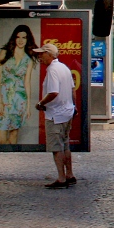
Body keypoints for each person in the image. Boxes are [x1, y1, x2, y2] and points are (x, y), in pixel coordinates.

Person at [33, 44, 76, 189]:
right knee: (66, 144)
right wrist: (73, 106)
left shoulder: (52, 70)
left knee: (56, 147)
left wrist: (40, 103)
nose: (39, 57)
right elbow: (72, 90)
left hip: (55, 115)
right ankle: (70, 174)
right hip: (67, 111)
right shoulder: (64, 67)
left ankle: (61, 178)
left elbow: (53, 92)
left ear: (49, 55)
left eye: (41, 54)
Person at [0, 25, 38, 145]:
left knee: (14, 134)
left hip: (20, 100)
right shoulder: (5, 52)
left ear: (27, 39)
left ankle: (10, 160)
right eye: (18, 37)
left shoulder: (28, 58)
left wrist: (28, 106)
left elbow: (27, 82)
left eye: (24, 37)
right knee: (1, 138)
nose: (20, 40)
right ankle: (4, 160)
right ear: (14, 38)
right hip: (4, 98)